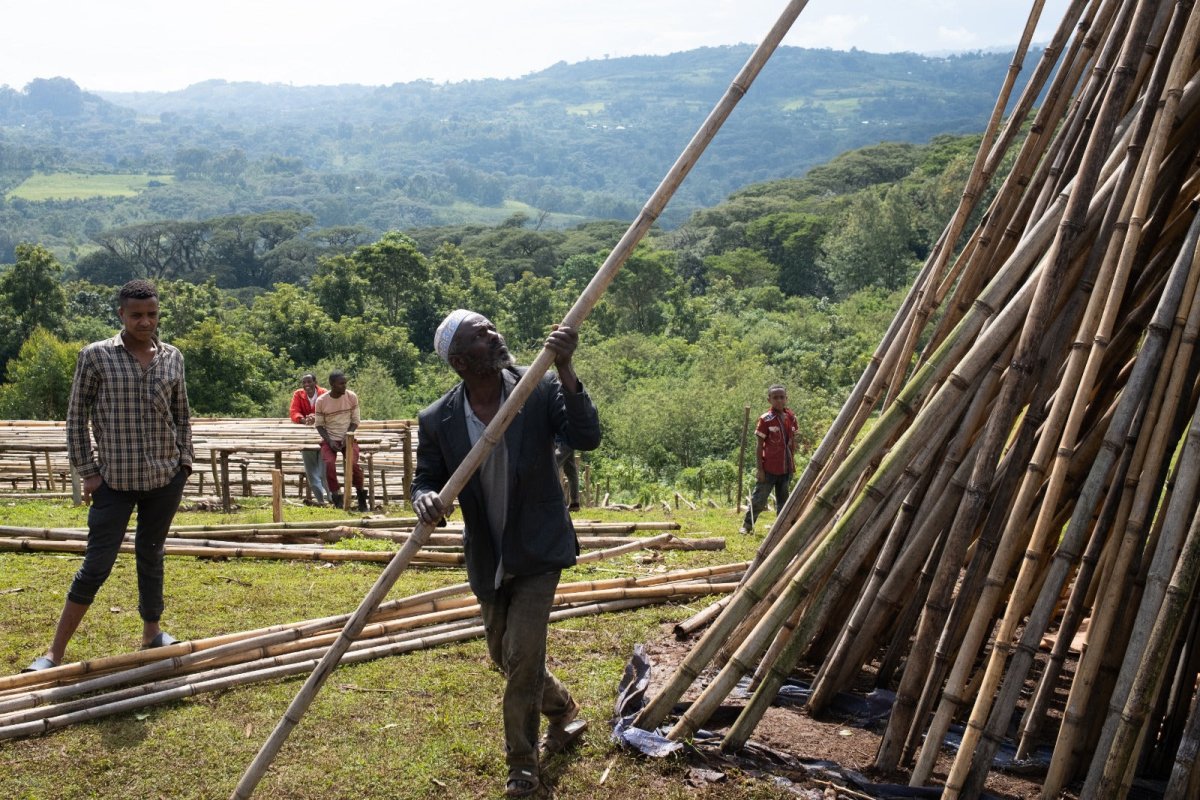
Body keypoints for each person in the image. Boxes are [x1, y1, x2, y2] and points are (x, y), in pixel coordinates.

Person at [411, 309, 601, 798]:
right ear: (459, 361)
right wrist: (425, 499)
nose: (495, 334)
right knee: (504, 654)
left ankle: (522, 765)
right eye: (481, 334)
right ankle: (561, 709)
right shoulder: (438, 419)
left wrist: (565, 369)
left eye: (492, 326)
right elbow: (426, 479)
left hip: (538, 546)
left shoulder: (534, 389)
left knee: (521, 658)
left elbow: (586, 437)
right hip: (488, 553)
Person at [24, 279, 193, 672]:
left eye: (151, 314)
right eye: (136, 315)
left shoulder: (172, 357)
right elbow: (75, 418)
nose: (145, 322)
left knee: (151, 554)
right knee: (97, 563)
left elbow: (182, 413)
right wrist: (89, 472)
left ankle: (152, 631)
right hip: (114, 480)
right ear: (121, 315)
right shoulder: (96, 356)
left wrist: (184, 462)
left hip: (164, 478)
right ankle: (54, 654)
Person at [740, 384, 799, 534]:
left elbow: (793, 442)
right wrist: (760, 469)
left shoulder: (792, 418)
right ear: (769, 400)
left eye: (782, 397)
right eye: (775, 397)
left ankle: (780, 529)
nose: (779, 400)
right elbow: (759, 446)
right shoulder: (765, 419)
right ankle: (747, 525)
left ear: (786, 398)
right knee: (759, 499)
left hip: (786, 468)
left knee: (783, 501)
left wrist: (792, 463)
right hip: (769, 468)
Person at [314, 370, 368, 512]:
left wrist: (347, 436)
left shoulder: (351, 397)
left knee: (353, 464)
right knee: (329, 464)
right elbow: (319, 425)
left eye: (345, 383)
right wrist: (330, 441)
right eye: (341, 384)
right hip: (329, 438)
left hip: (348, 436)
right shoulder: (321, 401)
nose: (344, 386)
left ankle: (361, 496)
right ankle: (336, 496)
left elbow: (355, 421)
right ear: (332, 384)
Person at [289, 373, 330, 505]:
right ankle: (321, 500)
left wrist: (315, 417)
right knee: (311, 473)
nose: (307, 385)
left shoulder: (324, 393)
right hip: (306, 438)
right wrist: (302, 420)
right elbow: (294, 411)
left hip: (324, 436)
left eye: (309, 382)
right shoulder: (298, 394)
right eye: (304, 383)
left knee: (325, 473)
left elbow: (329, 411)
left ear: (315, 382)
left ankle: (332, 498)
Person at [554, 437, 581, 512]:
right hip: (567, 442)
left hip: (563, 442)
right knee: (571, 472)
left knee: (550, 466)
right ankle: (575, 503)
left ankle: (553, 502)